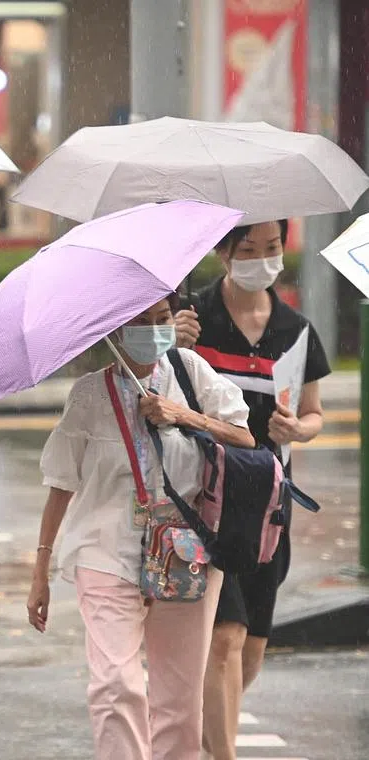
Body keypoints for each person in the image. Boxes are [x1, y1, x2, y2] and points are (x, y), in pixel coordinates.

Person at [27, 296, 255, 760]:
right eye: (139, 322)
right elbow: (61, 484)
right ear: (114, 329)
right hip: (104, 548)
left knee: (179, 697)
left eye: (162, 319)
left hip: (185, 547)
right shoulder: (90, 394)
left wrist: (182, 415)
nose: (154, 331)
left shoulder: (189, 370)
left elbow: (245, 436)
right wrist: (41, 571)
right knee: (116, 684)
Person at [173, 220, 330, 760]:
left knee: (249, 654)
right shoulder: (194, 320)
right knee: (225, 639)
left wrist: (297, 430)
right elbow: (155, 391)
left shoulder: (296, 329)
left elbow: (313, 415)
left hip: (267, 505)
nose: (261, 259)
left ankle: (196, 732)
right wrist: (174, 344)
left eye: (271, 248)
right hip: (204, 500)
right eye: (248, 249)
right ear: (222, 252)